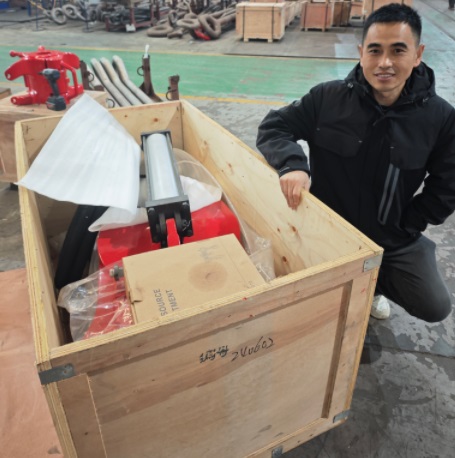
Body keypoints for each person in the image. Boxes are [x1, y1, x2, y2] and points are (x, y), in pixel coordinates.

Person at [256, 4, 455, 322]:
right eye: (375, 51)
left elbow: (448, 184)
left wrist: (408, 224)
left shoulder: (440, 118)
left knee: (434, 305)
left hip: (389, 237)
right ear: (362, 53)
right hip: (327, 228)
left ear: (417, 55)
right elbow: (274, 127)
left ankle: (373, 284)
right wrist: (293, 165)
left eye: (398, 50)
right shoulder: (328, 98)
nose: (384, 62)